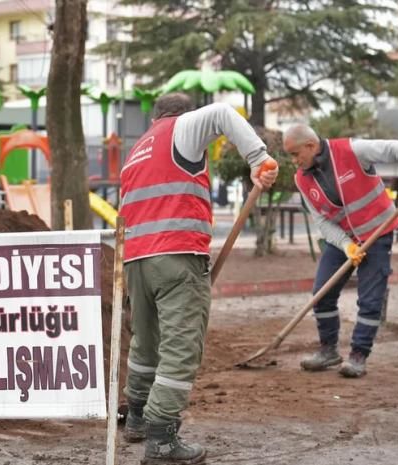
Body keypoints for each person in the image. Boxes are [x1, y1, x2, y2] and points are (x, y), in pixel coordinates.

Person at [119, 93, 278, 464]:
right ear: (182, 114)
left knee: (145, 341)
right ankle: (161, 438)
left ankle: (138, 416)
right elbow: (223, 112)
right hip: (175, 256)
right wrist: (258, 158)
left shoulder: (138, 150)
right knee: (180, 346)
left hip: (136, 260)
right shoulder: (182, 128)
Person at [283, 124, 398, 378]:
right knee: (322, 293)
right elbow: (322, 222)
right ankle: (328, 350)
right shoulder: (302, 179)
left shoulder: (352, 150)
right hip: (344, 239)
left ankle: (358, 355)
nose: (293, 161)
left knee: (370, 299)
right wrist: (346, 245)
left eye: (295, 153)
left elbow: (394, 148)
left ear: (311, 146)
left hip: (378, 232)